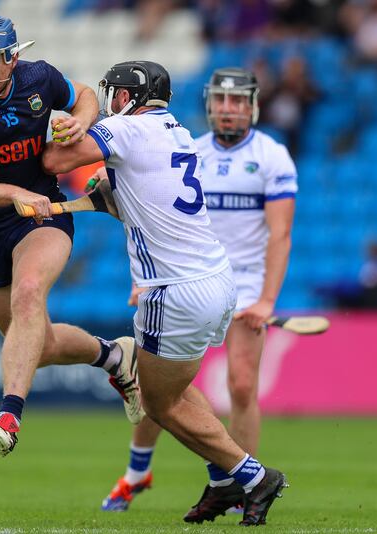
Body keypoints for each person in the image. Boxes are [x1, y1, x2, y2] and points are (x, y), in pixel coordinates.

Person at [42, 60, 288, 526]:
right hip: (215, 280)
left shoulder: (126, 129)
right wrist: (100, 193)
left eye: (113, 93)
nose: (110, 101)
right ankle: (222, 482)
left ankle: (253, 476)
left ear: (129, 96)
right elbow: (140, 201)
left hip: (173, 290)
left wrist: (71, 121)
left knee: (157, 402)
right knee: (175, 389)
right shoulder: (176, 132)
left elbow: (55, 161)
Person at [0, 15, 142, 456]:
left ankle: (9, 415)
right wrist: (12, 192)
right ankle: (116, 356)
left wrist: (83, 122)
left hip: (44, 216)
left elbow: (85, 96)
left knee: (29, 294)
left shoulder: (39, 78)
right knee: (35, 345)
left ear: (12, 58)